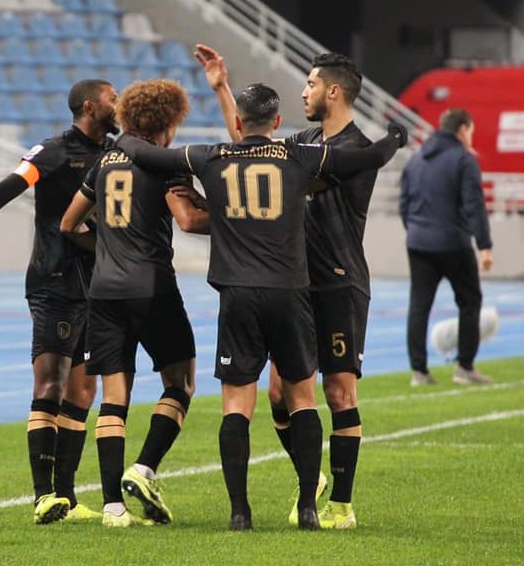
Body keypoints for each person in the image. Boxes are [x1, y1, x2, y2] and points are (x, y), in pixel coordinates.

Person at [115, 82, 407, 531]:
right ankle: (309, 507)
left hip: (237, 294)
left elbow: (150, 156)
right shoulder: (298, 156)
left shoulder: (210, 156)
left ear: (237, 123)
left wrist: (123, 135)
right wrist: (395, 138)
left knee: (237, 405)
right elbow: (366, 159)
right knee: (302, 397)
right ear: (275, 123)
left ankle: (239, 513)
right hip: (291, 293)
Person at [195, 45, 380, 530]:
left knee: (339, 393)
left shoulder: (354, 149)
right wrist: (221, 89)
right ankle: (311, 477)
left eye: (312, 84)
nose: (304, 91)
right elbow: (249, 140)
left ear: (333, 91)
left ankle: (341, 503)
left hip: (337, 281)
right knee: (280, 394)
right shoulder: (303, 141)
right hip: (291, 287)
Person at [0, 80, 119, 524]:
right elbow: (8, 188)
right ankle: (43, 494)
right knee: (51, 384)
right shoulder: (53, 151)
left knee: (84, 390)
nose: (118, 105)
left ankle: (67, 496)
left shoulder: (117, 152)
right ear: (89, 106)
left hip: (96, 285)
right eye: (112, 98)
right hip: (55, 281)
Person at [60, 79, 209, 528]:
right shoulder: (164, 164)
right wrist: (238, 220)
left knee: (113, 397)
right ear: (167, 121)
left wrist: (104, 249)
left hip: (104, 291)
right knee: (180, 383)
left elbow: (69, 224)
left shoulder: (105, 161)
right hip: (153, 287)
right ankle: (143, 468)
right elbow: (186, 219)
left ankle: (112, 508)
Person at [400, 107, 493, 387]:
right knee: (469, 301)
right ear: (463, 129)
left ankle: (419, 372)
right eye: (471, 132)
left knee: (419, 306)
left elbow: (404, 204)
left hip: (418, 242)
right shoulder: (463, 160)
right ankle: (465, 368)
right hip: (453, 243)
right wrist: (485, 246)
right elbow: (474, 205)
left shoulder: (416, 160)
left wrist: (416, 231)